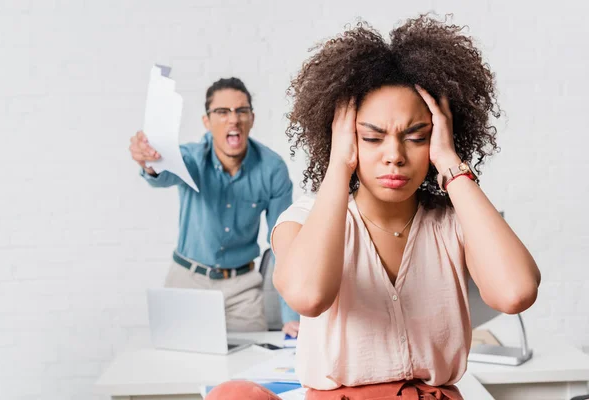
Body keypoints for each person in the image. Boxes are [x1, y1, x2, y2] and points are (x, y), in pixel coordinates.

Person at [208, 15, 541, 399]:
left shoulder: (453, 221)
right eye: (372, 137)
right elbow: (307, 295)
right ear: (346, 139)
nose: (394, 156)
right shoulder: (305, 218)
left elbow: (515, 292)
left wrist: (451, 164)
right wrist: (338, 165)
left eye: (416, 137)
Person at [129, 77, 300, 333]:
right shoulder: (191, 158)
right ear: (207, 122)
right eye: (222, 112)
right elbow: (161, 173)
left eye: (241, 111)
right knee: (179, 367)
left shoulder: (272, 169)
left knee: (250, 366)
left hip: (242, 289)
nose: (233, 119)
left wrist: (292, 315)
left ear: (251, 118)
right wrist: (149, 163)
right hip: (187, 282)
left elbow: (284, 245)